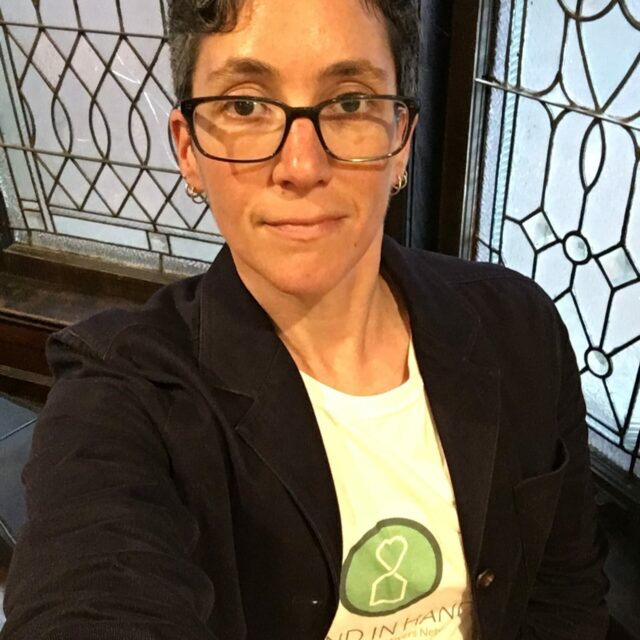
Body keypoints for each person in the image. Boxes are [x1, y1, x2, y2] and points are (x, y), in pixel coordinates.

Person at [0, 0, 608, 638]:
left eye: (348, 103)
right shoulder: (126, 392)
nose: (301, 167)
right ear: (189, 149)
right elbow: (89, 593)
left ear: (401, 140)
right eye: (245, 105)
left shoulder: (519, 326)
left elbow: (564, 593)